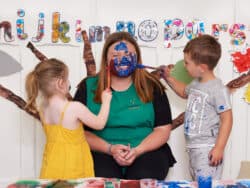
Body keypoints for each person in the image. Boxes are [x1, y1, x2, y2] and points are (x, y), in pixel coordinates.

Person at [74, 31, 176, 180]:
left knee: (142, 177)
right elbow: (78, 132)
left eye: (127, 54)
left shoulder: (153, 86)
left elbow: (163, 130)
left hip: (146, 151)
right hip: (101, 152)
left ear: (137, 58)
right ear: (105, 59)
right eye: (115, 56)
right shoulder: (87, 87)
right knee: (105, 180)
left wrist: (137, 151)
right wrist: (110, 149)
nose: (122, 59)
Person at [25, 58, 112, 179]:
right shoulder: (74, 108)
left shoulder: (43, 107)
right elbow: (99, 123)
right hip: (73, 165)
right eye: (67, 79)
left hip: (52, 162)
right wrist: (106, 101)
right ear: (60, 83)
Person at [161, 34, 233, 180]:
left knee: (206, 184)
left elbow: (227, 119)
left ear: (202, 68)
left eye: (187, 63)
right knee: (196, 182)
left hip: (208, 148)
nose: (184, 66)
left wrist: (219, 147)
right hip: (193, 147)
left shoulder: (218, 89)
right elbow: (183, 91)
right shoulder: (196, 83)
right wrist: (168, 78)